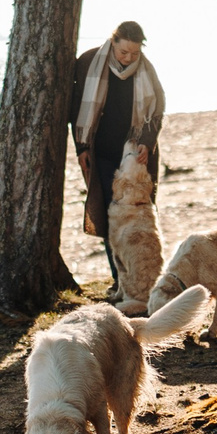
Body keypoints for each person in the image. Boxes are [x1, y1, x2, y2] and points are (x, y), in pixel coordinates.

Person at [70, 21, 165, 304]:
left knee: (137, 218)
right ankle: (119, 282)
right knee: (110, 217)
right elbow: (77, 107)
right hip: (101, 152)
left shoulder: (146, 69)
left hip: (135, 156)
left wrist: (147, 143)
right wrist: (82, 146)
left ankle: (142, 280)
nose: (129, 58)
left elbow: (157, 109)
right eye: (124, 52)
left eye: (134, 53)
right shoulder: (88, 62)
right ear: (114, 42)